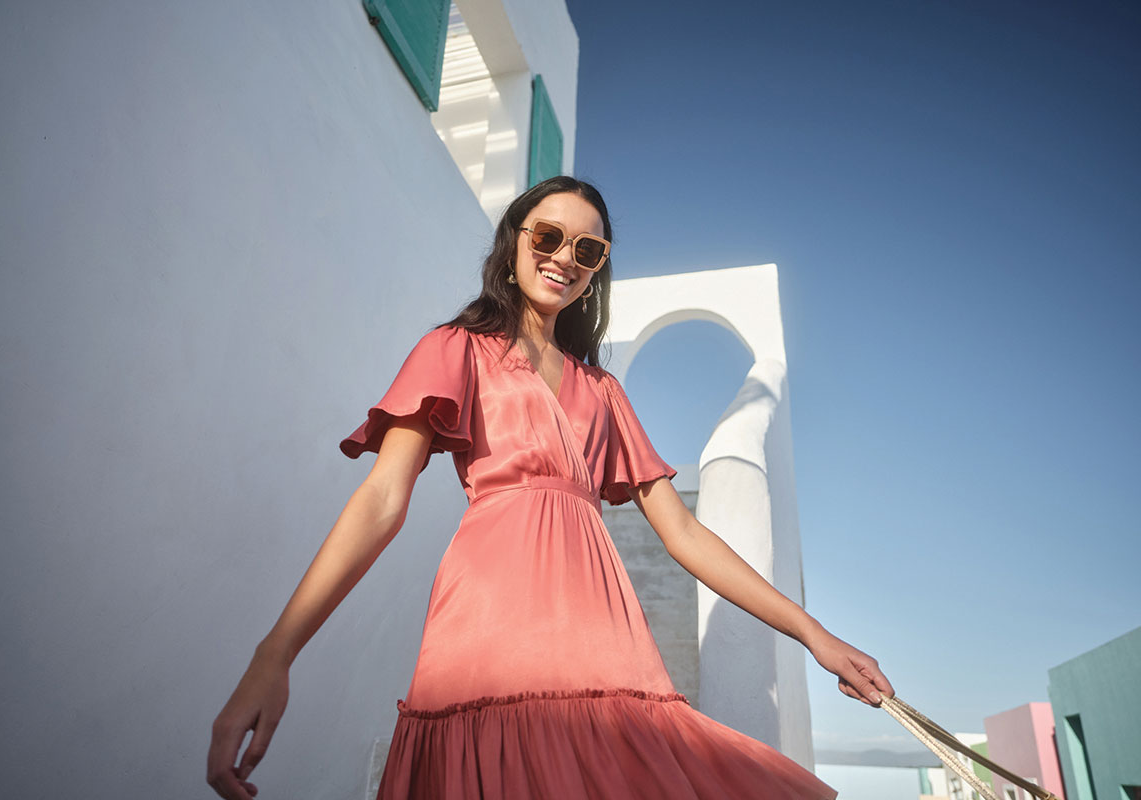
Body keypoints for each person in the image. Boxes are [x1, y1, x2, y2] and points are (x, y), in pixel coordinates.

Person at [207, 176, 894, 799]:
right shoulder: (455, 349)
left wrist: (812, 632)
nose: (565, 256)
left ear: (595, 273)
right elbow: (383, 499)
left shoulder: (604, 392)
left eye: (587, 249)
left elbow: (683, 534)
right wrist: (275, 655)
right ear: (514, 244)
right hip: (487, 634)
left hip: (605, 639)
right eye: (549, 236)